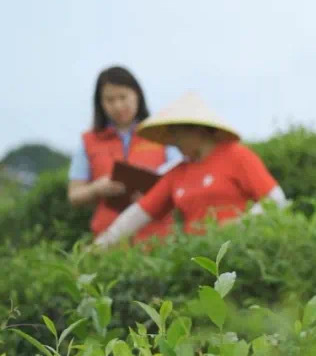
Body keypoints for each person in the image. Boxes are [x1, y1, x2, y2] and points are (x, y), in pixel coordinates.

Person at [93, 91, 288, 246]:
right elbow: (139, 213)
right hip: (196, 256)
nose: (174, 143)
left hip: (240, 250)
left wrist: (238, 225)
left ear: (197, 130)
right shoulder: (178, 172)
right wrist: (101, 244)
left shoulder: (237, 156)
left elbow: (275, 199)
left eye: (177, 135)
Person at [68, 66, 183, 243]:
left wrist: (155, 193)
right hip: (108, 240)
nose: (118, 105)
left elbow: (181, 182)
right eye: (110, 100)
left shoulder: (160, 134)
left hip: (158, 239)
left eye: (123, 97)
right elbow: (74, 195)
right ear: (100, 103)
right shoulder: (88, 141)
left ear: (137, 94)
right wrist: (97, 189)